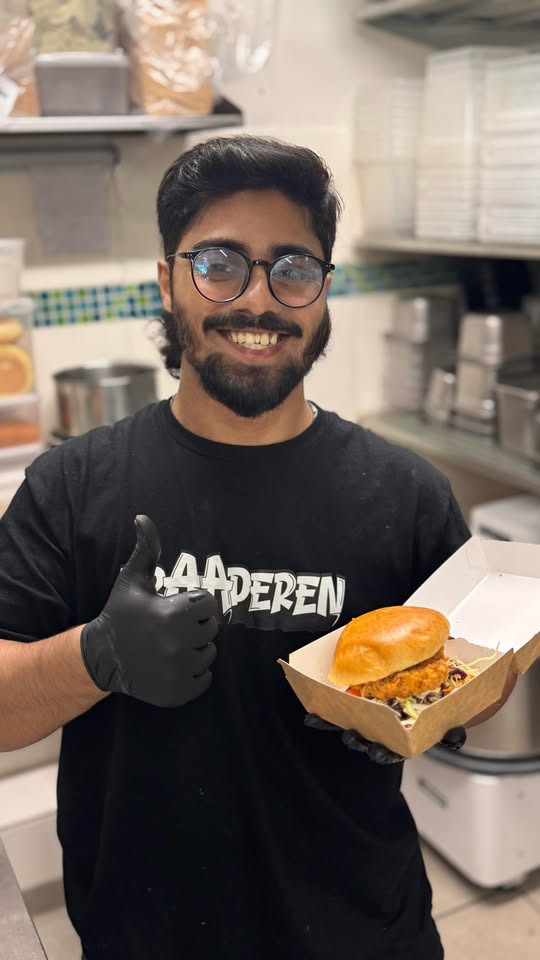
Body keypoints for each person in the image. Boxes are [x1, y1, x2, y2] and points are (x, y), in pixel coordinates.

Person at [0, 135, 513, 960]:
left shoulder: (407, 494)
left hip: (365, 932)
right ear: (167, 280)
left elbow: (481, 676)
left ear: (323, 291)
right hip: (146, 937)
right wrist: (94, 657)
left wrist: (436, 705)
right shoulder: (72, 486)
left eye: (293, 268)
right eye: (219, 264)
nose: (258, 301)